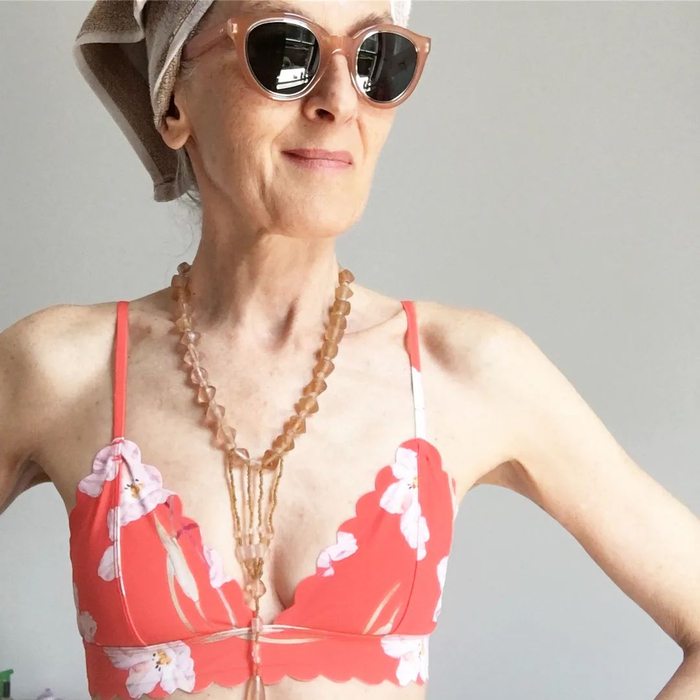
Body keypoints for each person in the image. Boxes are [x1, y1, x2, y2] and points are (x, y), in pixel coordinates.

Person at [1, 1, 699, 699]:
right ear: (173, 101)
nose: (339, 100)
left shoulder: (465, 370)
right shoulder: (60, 370)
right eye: (285, 50)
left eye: (376, 60)